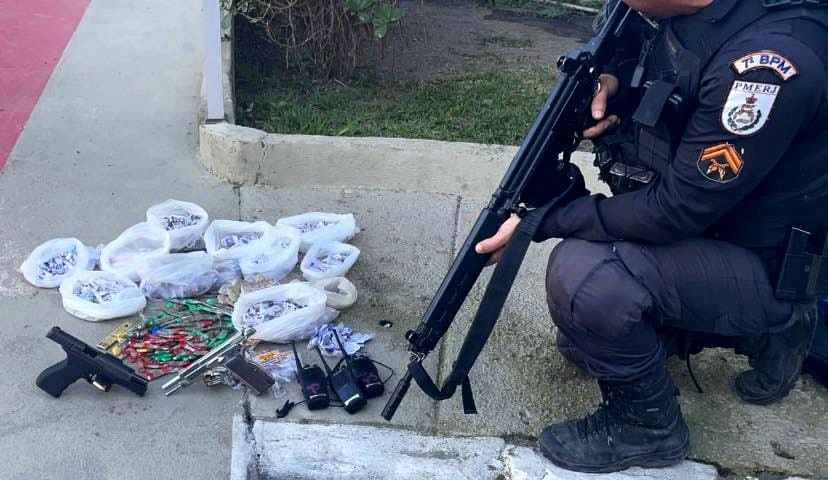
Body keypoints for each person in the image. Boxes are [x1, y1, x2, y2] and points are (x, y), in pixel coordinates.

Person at [475, 0, 828, 473]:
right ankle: (721, 326)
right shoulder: (695, 11)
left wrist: (547, 219)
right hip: (719, 228)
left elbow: (674, 211)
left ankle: (648, 428)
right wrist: (615, 86)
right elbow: (673, 70)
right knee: (586, 343)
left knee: (587, 279)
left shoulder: (767, 67)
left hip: (768, 264)